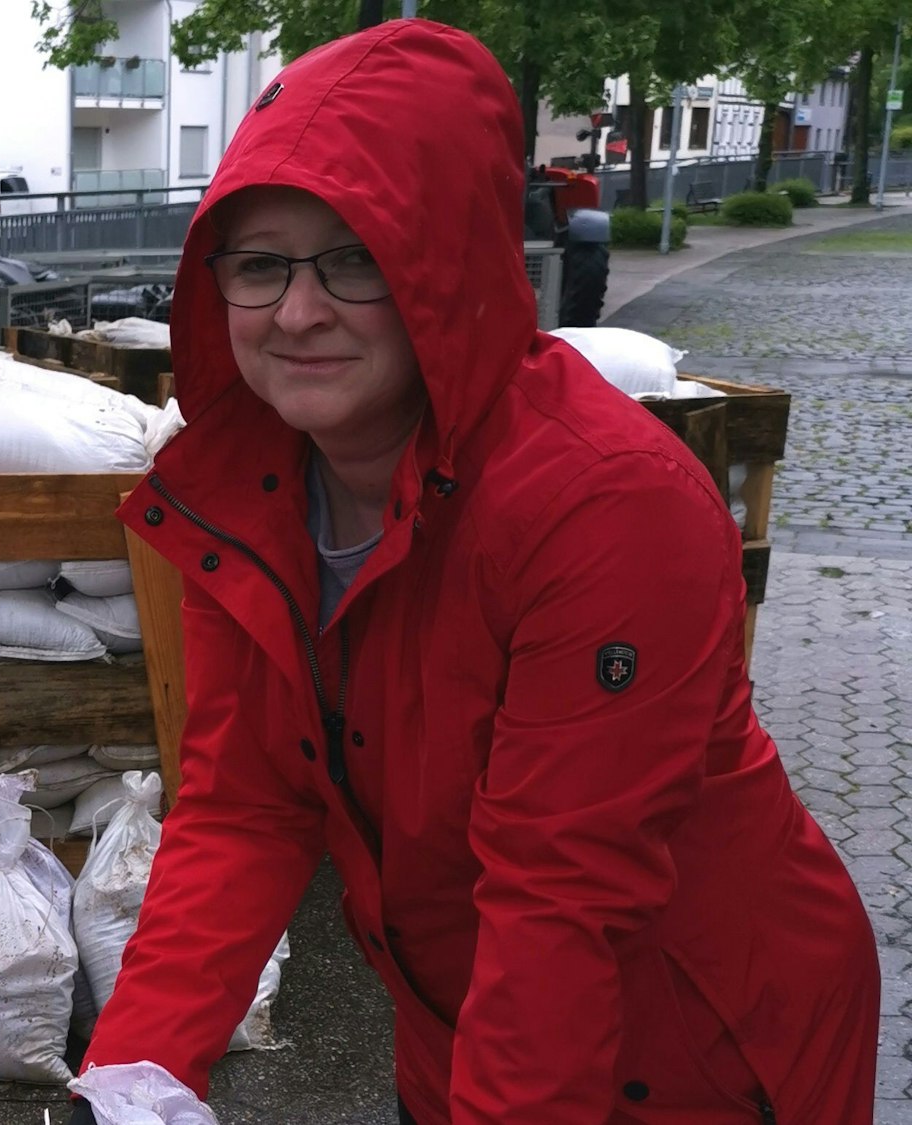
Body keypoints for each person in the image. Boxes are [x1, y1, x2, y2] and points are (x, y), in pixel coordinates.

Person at [76, 21, 879, 1124]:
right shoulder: (244, 494)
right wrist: (137, 1070)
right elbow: (244, 806)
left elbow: (560, 900)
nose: (297, 312)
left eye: (353, 258)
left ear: (442, 264)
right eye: (259, 266)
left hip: (690, 1045)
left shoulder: (600, 505)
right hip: (457, 1029)